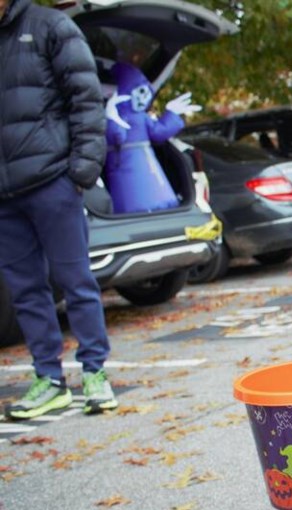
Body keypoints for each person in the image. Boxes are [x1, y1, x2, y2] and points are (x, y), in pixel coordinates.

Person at [0, 0, 117, 419]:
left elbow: (87, 99)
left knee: (76, 280)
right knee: (26, 291)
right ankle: (48, 380)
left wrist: (80, 173)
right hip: (4, 195)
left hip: (53, 182)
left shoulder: (50, 26)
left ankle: (94, 374)